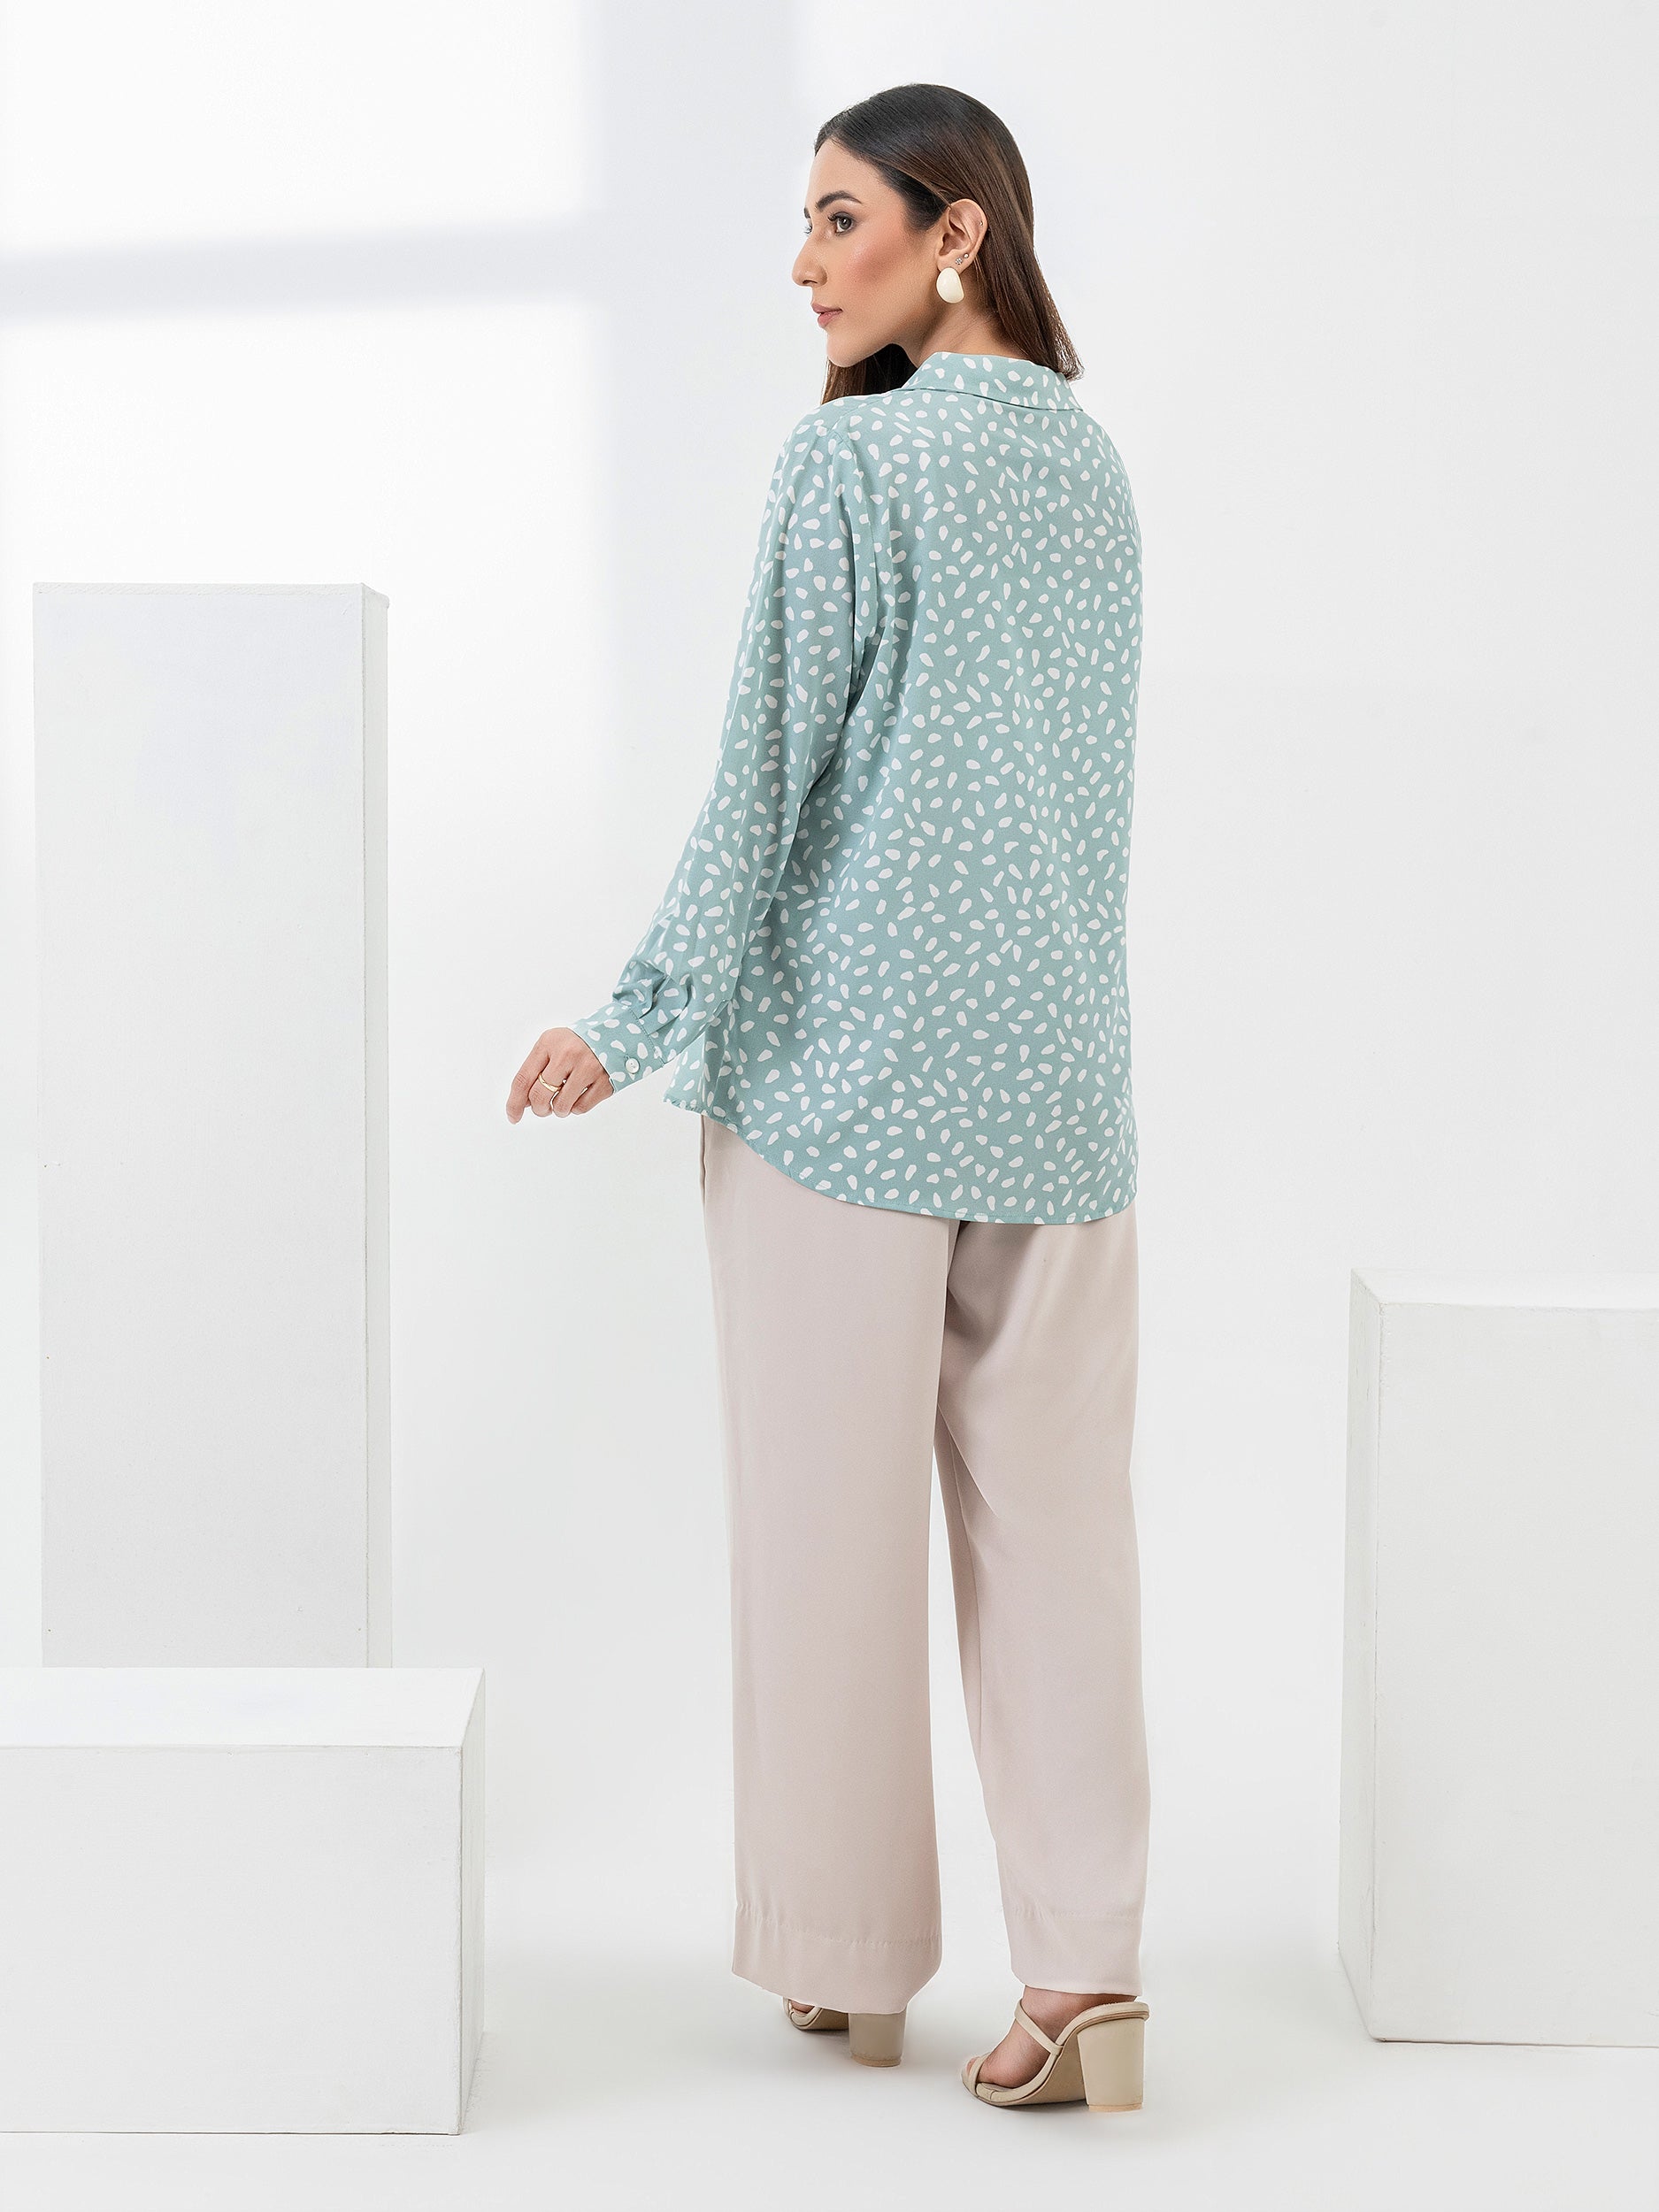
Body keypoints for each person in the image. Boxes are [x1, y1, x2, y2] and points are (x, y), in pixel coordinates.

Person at [506, 81, 1150, 2114]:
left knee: (825, 1542)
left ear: (955, 235)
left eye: (836, 217)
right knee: (1061, 1542)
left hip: (842, 1093)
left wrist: (634, 1015)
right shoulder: (1093, 470)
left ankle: (846, 1959)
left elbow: (764, 774)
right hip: (1059, 1090)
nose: (801, 264)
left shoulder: (849, 464)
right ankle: (1086, 1972)